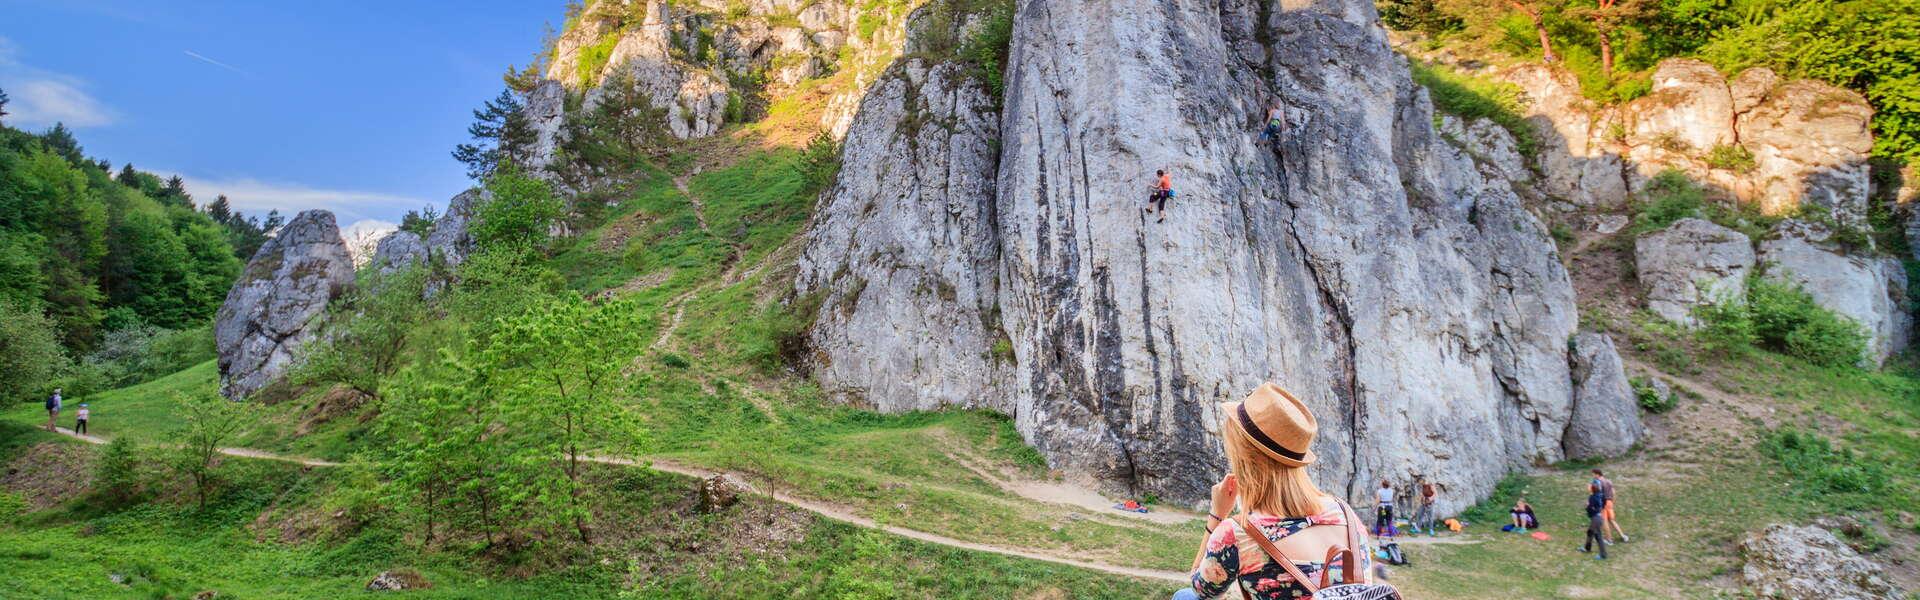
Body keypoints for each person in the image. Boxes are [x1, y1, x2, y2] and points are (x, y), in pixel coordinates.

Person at [1180, 383, 1375, 599]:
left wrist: (1217, 516)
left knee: (1186, 596)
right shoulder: (1348, 518)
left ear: (1244, 458)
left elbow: (1202, 590)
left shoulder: (1237, 533)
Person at [1592, 469, 1628, 543]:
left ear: (1597, 474)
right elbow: (1613, 492)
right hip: (1610, 502)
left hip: (1603, 503)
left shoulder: (1598, 482)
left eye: (1593, 474)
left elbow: (1597, 494)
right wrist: (1612, 502)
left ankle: (1609, 539)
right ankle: (1623, 536)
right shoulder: (1608, 481)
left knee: (1604, 521)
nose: (1593, 476)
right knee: (1612, 520)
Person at [1580, 483, 1609, 560]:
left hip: (1596, 518)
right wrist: (1600, 508)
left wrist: (1587, 506)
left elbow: (1590, 509)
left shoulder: (1592, 497)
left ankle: (1603, 555)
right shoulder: (1600, 495)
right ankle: (1587, 548)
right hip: (1598, 517)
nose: (1587, 488)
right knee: (1590, 532)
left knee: (1598, 536)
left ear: (1592, 489)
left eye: (1589, 487)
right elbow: (1604, 501)